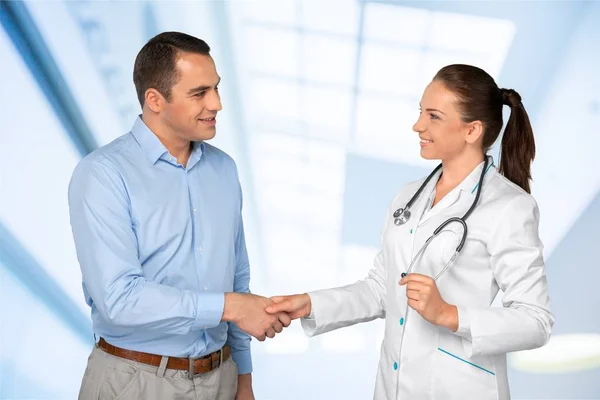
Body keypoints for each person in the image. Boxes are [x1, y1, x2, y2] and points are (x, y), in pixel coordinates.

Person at [265, 64, 554, 400]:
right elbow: (381, 288)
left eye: (433, 116)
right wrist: (311, 304)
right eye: (421, 112)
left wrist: (449, 315)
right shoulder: (408, 197)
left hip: (460, 389)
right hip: (393, 387)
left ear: (472, 130)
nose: (418, 126)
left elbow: (536, 321)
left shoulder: (508, 207)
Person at [68, 31, 289, 400]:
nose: (216, 103)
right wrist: (232, 307)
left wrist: (244, 378)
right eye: (199, 93)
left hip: (222, 376)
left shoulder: (224, 170)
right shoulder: (103, 174)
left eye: (216, 88)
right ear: (155, 100)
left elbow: (237, 278)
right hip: (135, 381)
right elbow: (120, 298)